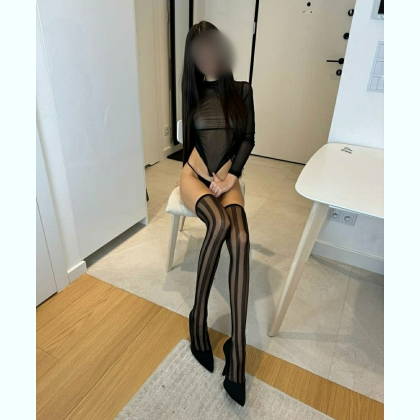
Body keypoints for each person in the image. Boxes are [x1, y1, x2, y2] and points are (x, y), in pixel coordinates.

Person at [176, 21, 255, 406]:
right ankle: (198, 316)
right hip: (195, 175)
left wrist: (228, 176)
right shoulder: (191, 91)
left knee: (240, 238)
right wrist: (206, 177)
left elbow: (247, 138)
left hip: (227, 176)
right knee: (220, 222)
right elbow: (189, 144)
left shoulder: (242, 90)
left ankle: (237, 349)